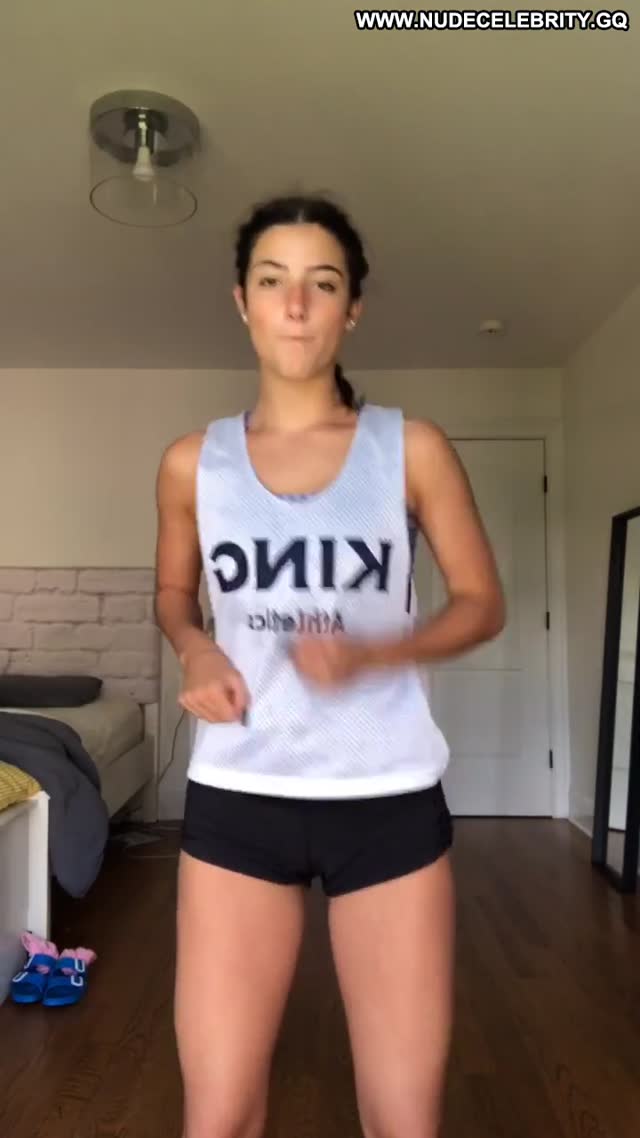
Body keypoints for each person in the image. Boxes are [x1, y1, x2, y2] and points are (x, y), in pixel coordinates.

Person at [154, 192, 505, 1138]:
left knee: (403, 1120)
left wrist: (377, 650)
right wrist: (195, 646)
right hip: (240, 793)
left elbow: (482, 603)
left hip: (386, 797)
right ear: (243, 300)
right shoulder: (193, 463)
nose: (297, 304)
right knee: (217, 1116)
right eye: (273, 281)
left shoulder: (411, 449)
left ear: (352, 307)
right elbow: (174, 596)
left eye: (323, 282)